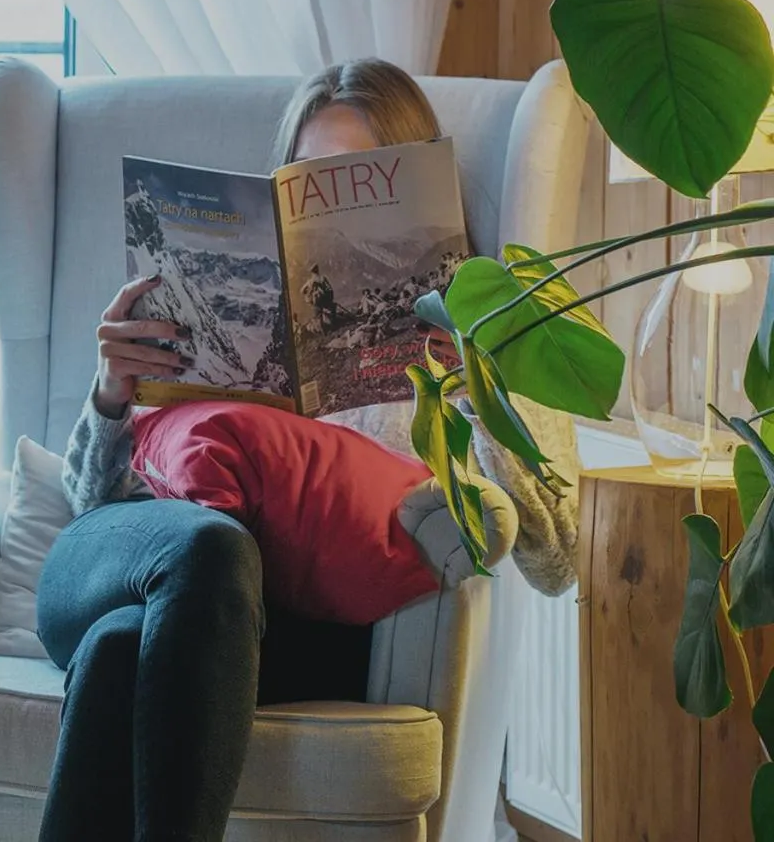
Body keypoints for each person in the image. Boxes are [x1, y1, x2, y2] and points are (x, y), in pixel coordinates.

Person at [36, 58, 580, 842]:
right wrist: (111, 394)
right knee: (202, 546)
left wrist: (476, 389)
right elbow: (89, 510)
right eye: (305, 178)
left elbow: (554, 558)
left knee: (132, 641)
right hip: (119, 568)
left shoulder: (478, 337)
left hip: (283, 627)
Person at [300, 262, 337, 331]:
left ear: (312, 272)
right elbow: (329, 289)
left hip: (316, 302)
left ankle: (321, 329)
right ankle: (332, 326)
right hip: (325, 300)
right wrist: (330, 298)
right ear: (318, 270)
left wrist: (308, 295)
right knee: (330, 311)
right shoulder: (323, 278)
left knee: (317, 315)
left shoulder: (310, 281)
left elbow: (302, 291)